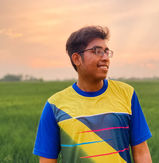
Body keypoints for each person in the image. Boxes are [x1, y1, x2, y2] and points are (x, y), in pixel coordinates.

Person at [33, 26, 152, 163]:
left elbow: (141, 152)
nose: (106, 58)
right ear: (77, 59)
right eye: (97, 51)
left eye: (107, 52)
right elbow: (47, 160)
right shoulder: (55, 105)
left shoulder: (127, 93)